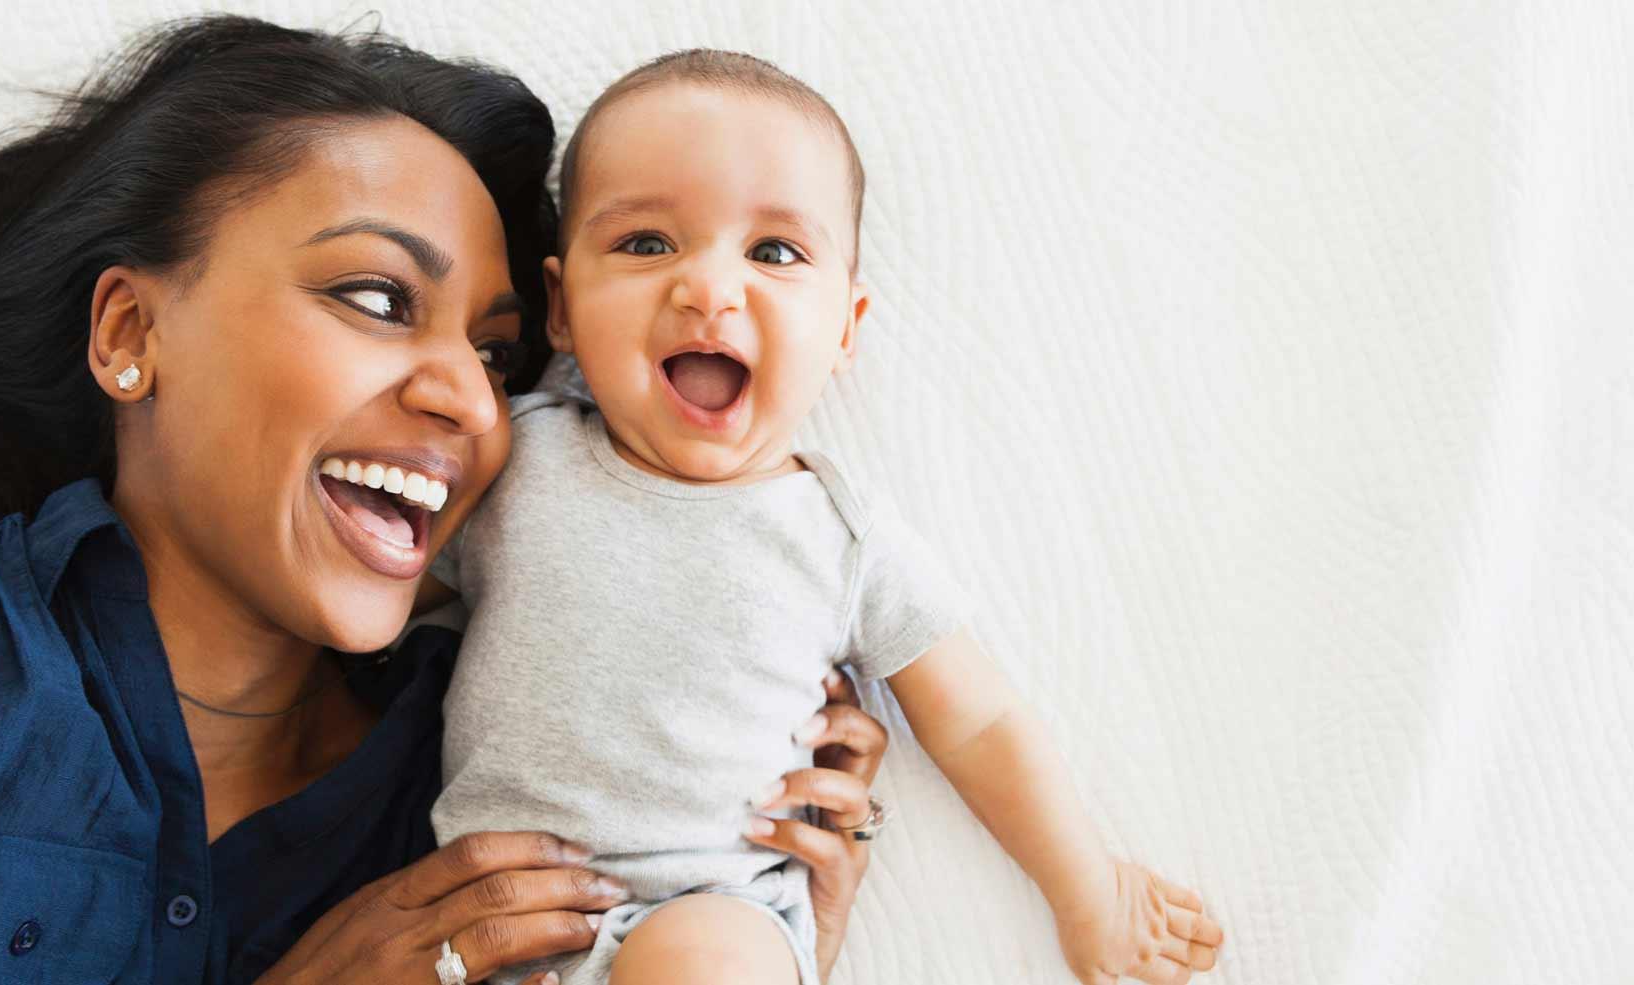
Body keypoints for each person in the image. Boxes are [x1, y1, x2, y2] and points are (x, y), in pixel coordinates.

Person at [0, 19, 888, 984]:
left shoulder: (473, 812)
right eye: (377, 298)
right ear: (131, 331)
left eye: (495, 357)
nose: (470, 407)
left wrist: (754, 918)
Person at [423, 51, 1227, 985]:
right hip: (490, 921)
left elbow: (978, 721)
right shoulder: (515, 461)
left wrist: (1086, 887)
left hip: (710, 907)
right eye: (646, 243)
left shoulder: (841, 535)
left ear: (845, 328)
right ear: (561, 308)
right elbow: (375, 594)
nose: (709, 289)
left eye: (774, 253)